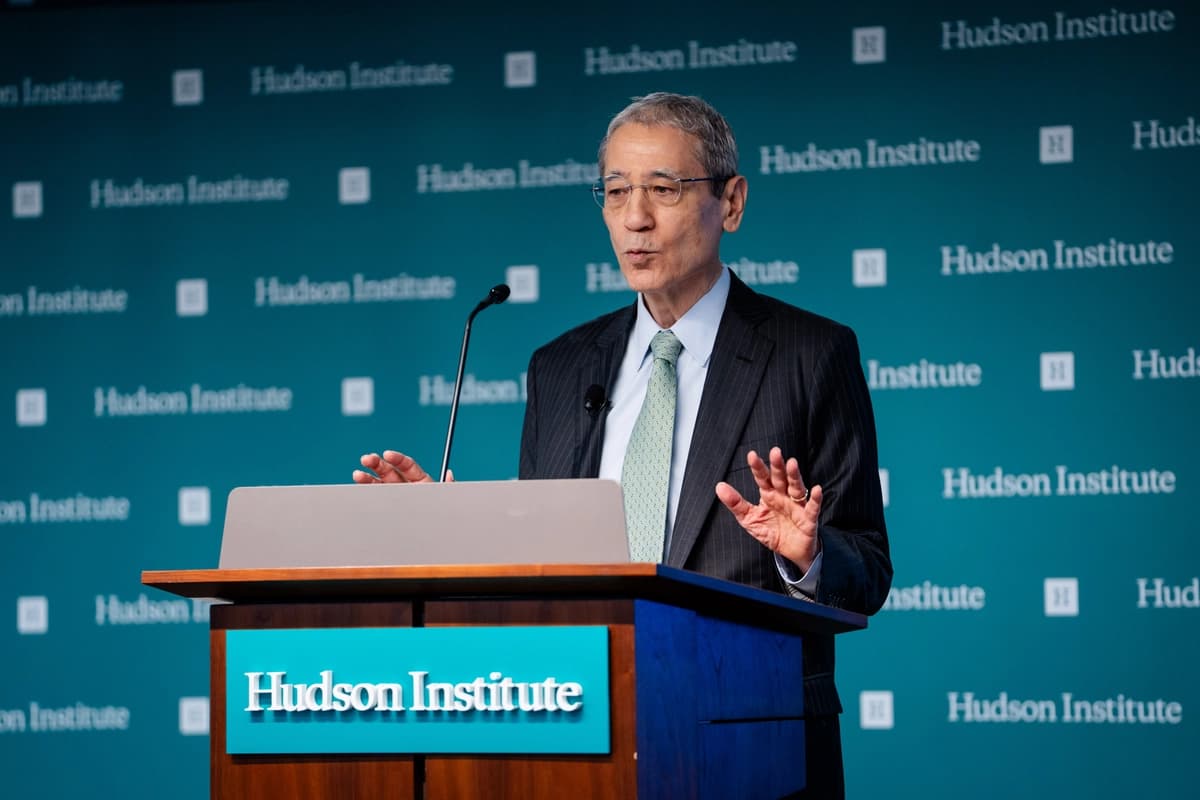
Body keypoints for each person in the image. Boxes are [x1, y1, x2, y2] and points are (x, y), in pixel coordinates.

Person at [353, 92, 892, 797]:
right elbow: (539, 563)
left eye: (664, 190)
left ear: (730, 202)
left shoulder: (810, 354)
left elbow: (869, 571)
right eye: (615, 192)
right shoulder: (560, 366)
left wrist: (807, 553)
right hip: (574, 731)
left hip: (752, 740)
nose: (635, 217)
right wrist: (453, 531)